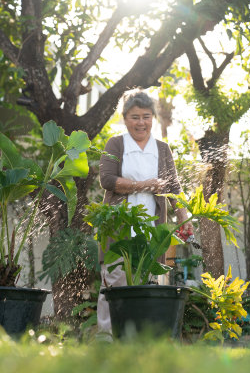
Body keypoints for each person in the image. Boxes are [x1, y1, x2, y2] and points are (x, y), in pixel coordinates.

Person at [95, 89, 193, 340]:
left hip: (151, 229)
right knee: (114, 282)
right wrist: (143, 186)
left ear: (153, 118)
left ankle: (140, 340)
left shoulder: (162, 149)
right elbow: (106, 180)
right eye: (135, 117)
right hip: (119, 227)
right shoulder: (115, 144)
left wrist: (184, 217)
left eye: (146, 116)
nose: (141, 122)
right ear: (125, 118)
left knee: (146, 284)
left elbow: (174, 187)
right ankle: (108, 338)